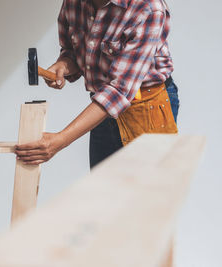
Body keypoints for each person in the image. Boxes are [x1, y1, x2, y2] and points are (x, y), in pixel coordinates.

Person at [15, 0, 179, 168]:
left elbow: (119, 89)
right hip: (101, 108)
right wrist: (63, 65)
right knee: (101, 188)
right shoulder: (73, 3)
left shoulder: (147, 8)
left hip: (146, 106)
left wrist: (61, 140)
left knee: (145, 189)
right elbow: (73, 51)